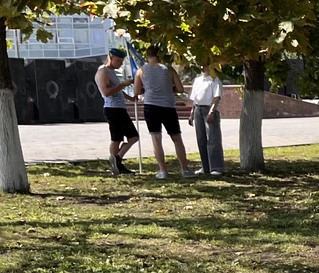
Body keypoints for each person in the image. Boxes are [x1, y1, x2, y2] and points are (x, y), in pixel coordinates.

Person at [133, 49, 192, 179]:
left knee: (156, 139)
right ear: (159, 55)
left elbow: (136, 91)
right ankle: (185, 169)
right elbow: (180, 89)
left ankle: (162, 170)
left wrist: (147, 88)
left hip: (151, 107)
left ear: (147, 56)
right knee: (177, 138)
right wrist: (169, 88)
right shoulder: (168, 70)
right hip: (168, 106)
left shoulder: (141, 71)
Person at [96, 47, 138, 176]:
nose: (120, 64)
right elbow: (106, 92)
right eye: (118, 61)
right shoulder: (103, 71)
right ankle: (116, 164)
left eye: (122, 61)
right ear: (110, 57)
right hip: (112, 109)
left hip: (120, 108)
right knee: (117, 138)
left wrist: (130, 98)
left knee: (133, 136)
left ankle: (117, 159)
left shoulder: (112, 72)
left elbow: (117, 89)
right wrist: (123, 84)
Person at [188, 69, 225, 176]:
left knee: (212, 139)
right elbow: (195, 99)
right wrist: (192, 113)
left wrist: (212, 111)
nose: (203, 67)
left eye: (205, 65)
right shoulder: (198, 80)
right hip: (198, 109)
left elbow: (217, 97)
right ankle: (206, 167)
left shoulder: (215, 79)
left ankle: (217, 167)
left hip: (209, 109)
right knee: (201, 139)